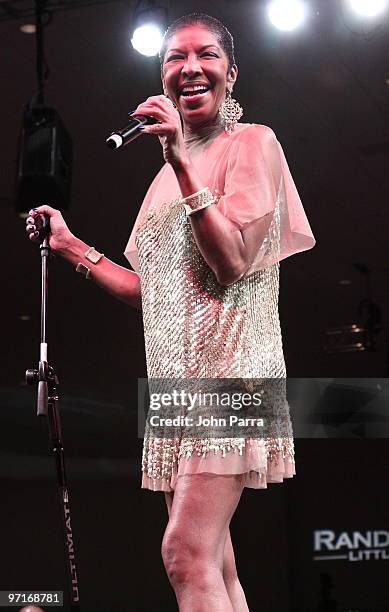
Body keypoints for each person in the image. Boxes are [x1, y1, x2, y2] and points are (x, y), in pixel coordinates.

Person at [26, 13, 315, 611]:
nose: (189, 68)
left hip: (232, 377)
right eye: (174, 58)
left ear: (230, 73)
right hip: (176, 391)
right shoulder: (162, 177)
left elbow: (232, 260)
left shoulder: (251, 144)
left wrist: (181, 160)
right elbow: (151, 291)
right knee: (216, 563)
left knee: (184, 552)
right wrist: (70, 244)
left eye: (205, 55)